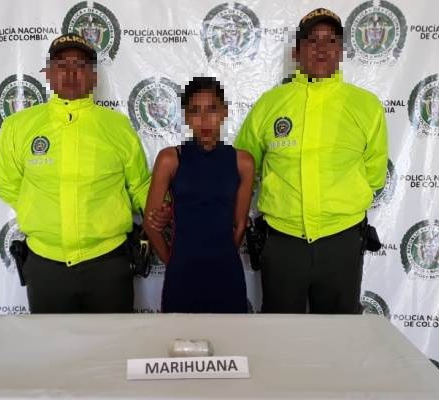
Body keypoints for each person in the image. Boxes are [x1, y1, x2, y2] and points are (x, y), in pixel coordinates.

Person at [234, 8, 388, 314]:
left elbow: (374, 175)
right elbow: (243, 165)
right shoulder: (270, 104)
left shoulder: (366, 106)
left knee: (338, 332)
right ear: (296, 51)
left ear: (341, 51)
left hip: (341, 241)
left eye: (331, 40)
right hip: (282, 242)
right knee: (280, 331)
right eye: (312, 40)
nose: (321, 48)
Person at [0, 33, 150, 313]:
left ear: (94, 77)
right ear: (49, 74)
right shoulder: (18, 127)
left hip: (108, 263)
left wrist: (164, 216)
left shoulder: (117, 127)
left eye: (80, 66)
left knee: (113, 340)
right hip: (45, 265)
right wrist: (40, 212)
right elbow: (8, 184)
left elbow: (139, 186)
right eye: (62, 66)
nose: (71, 74)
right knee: (53, 342)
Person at [143, 77, 255, 313]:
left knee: (231, 335)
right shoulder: (170, 159)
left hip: (227, 275)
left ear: (224, 112)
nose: (204, 120)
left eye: (212, 109)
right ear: (185, 116)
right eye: (195, 111)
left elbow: (240, 224)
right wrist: (173, 261)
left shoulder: (242, 162)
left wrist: (223, 256)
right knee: (179, 336)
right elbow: (150, 224)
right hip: (182, 276)